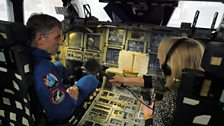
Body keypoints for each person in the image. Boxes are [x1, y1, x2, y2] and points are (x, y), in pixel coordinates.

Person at [110, 37, 204, 126]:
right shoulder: (198, 86)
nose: (160, 65)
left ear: (168, 66)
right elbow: (155, 81)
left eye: (160, 60)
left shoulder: (168, 103)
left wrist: (148, 115)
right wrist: (125, 80)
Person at [26, 13, 99, 124]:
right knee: (90, 79)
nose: (61, 42)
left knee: (59, 66)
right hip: (56, 115)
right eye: (57, 37)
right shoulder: (45, 70)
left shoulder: (23, 54)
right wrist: (73, 96)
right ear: (40, 38)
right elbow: (63, 113)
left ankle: (69, 80)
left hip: (35, 96)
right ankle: (73, 85)